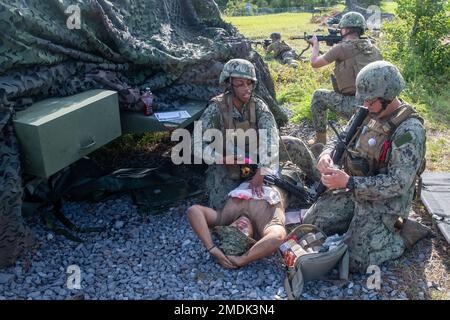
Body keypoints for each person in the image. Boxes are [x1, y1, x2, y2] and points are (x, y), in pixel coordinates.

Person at [302, 60, 429, 273]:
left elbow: (398, 184)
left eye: (370, 101)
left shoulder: (408, 132)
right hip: (356, 189)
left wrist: (349, 182)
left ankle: (403, 234)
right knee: (312, 222)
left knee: (356, 262)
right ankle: (360, 226)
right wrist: (327, 154)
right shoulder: (367, 111)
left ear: (388, 97)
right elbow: (342, 137)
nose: (365, 105)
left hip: (387, 200)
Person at [193, 58, 280, 210]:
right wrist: (220, 159)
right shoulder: (216, 109)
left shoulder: (258, 105)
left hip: (258, 157)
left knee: (294, 144)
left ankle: (320, 182)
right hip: (229, 163)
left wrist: (262, 170)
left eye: (249, 83)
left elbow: (271, 137)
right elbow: (196, 143)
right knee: (223, 208)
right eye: (240, 84)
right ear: (229, 85)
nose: (246, 88)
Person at [307, 11, 383, 147]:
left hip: (357, 106)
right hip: (378, 105)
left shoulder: (341, 48)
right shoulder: (374, 48)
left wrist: (315, 46)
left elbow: (315, 63)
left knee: (318, 96)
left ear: (346, 29)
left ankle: (320, 140)